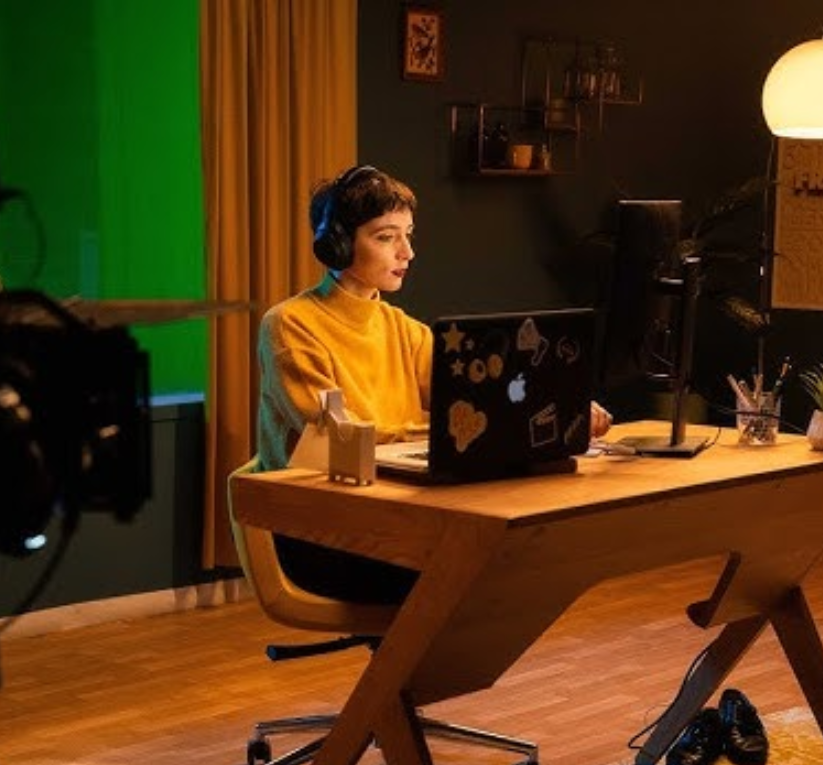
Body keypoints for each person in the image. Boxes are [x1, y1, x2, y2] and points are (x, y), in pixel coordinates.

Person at [255, 164, 611, 604]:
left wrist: (562, 406)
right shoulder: (289, 325)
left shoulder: (406, 330)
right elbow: (340, 436)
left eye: (408, 235)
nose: (407, 252)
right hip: (321, 531)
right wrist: (438, 432)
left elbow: (479, 401)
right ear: (339, 244)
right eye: (386, 237)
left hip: (394, 518)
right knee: (472, 572)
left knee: (514, 559)